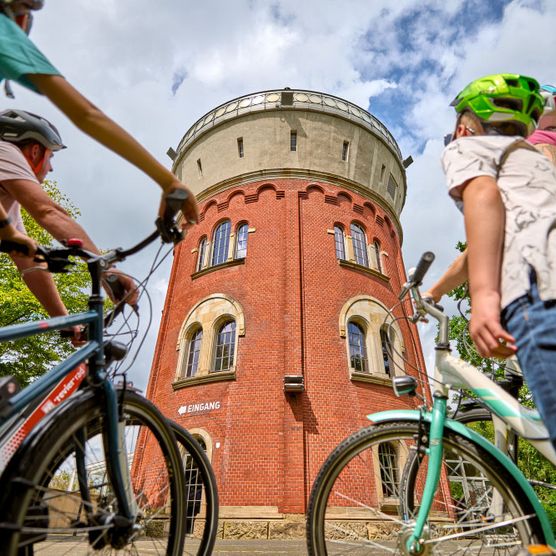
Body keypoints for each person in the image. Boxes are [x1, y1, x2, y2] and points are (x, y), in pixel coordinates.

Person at [425, 73, 556, 450]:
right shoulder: (533, 165)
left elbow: (482, 196)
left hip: (538, 293)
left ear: (464, 129)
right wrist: (435, 291)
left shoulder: (466, 147)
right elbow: (485, 244)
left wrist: (484, 299)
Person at [0, 0, 198, 241]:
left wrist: (10, 234)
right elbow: (86, 114)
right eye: (27, 9)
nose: (25, 20)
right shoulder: (5, 30)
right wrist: (168, 181)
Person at [0, 109, 137, 340]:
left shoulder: (7, 204)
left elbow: (30, 262)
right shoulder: (5, 151)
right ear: (35, 151)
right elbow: (49, 212)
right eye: (50, 157)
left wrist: (64, 321)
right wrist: (106, 269)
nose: (51, 168)